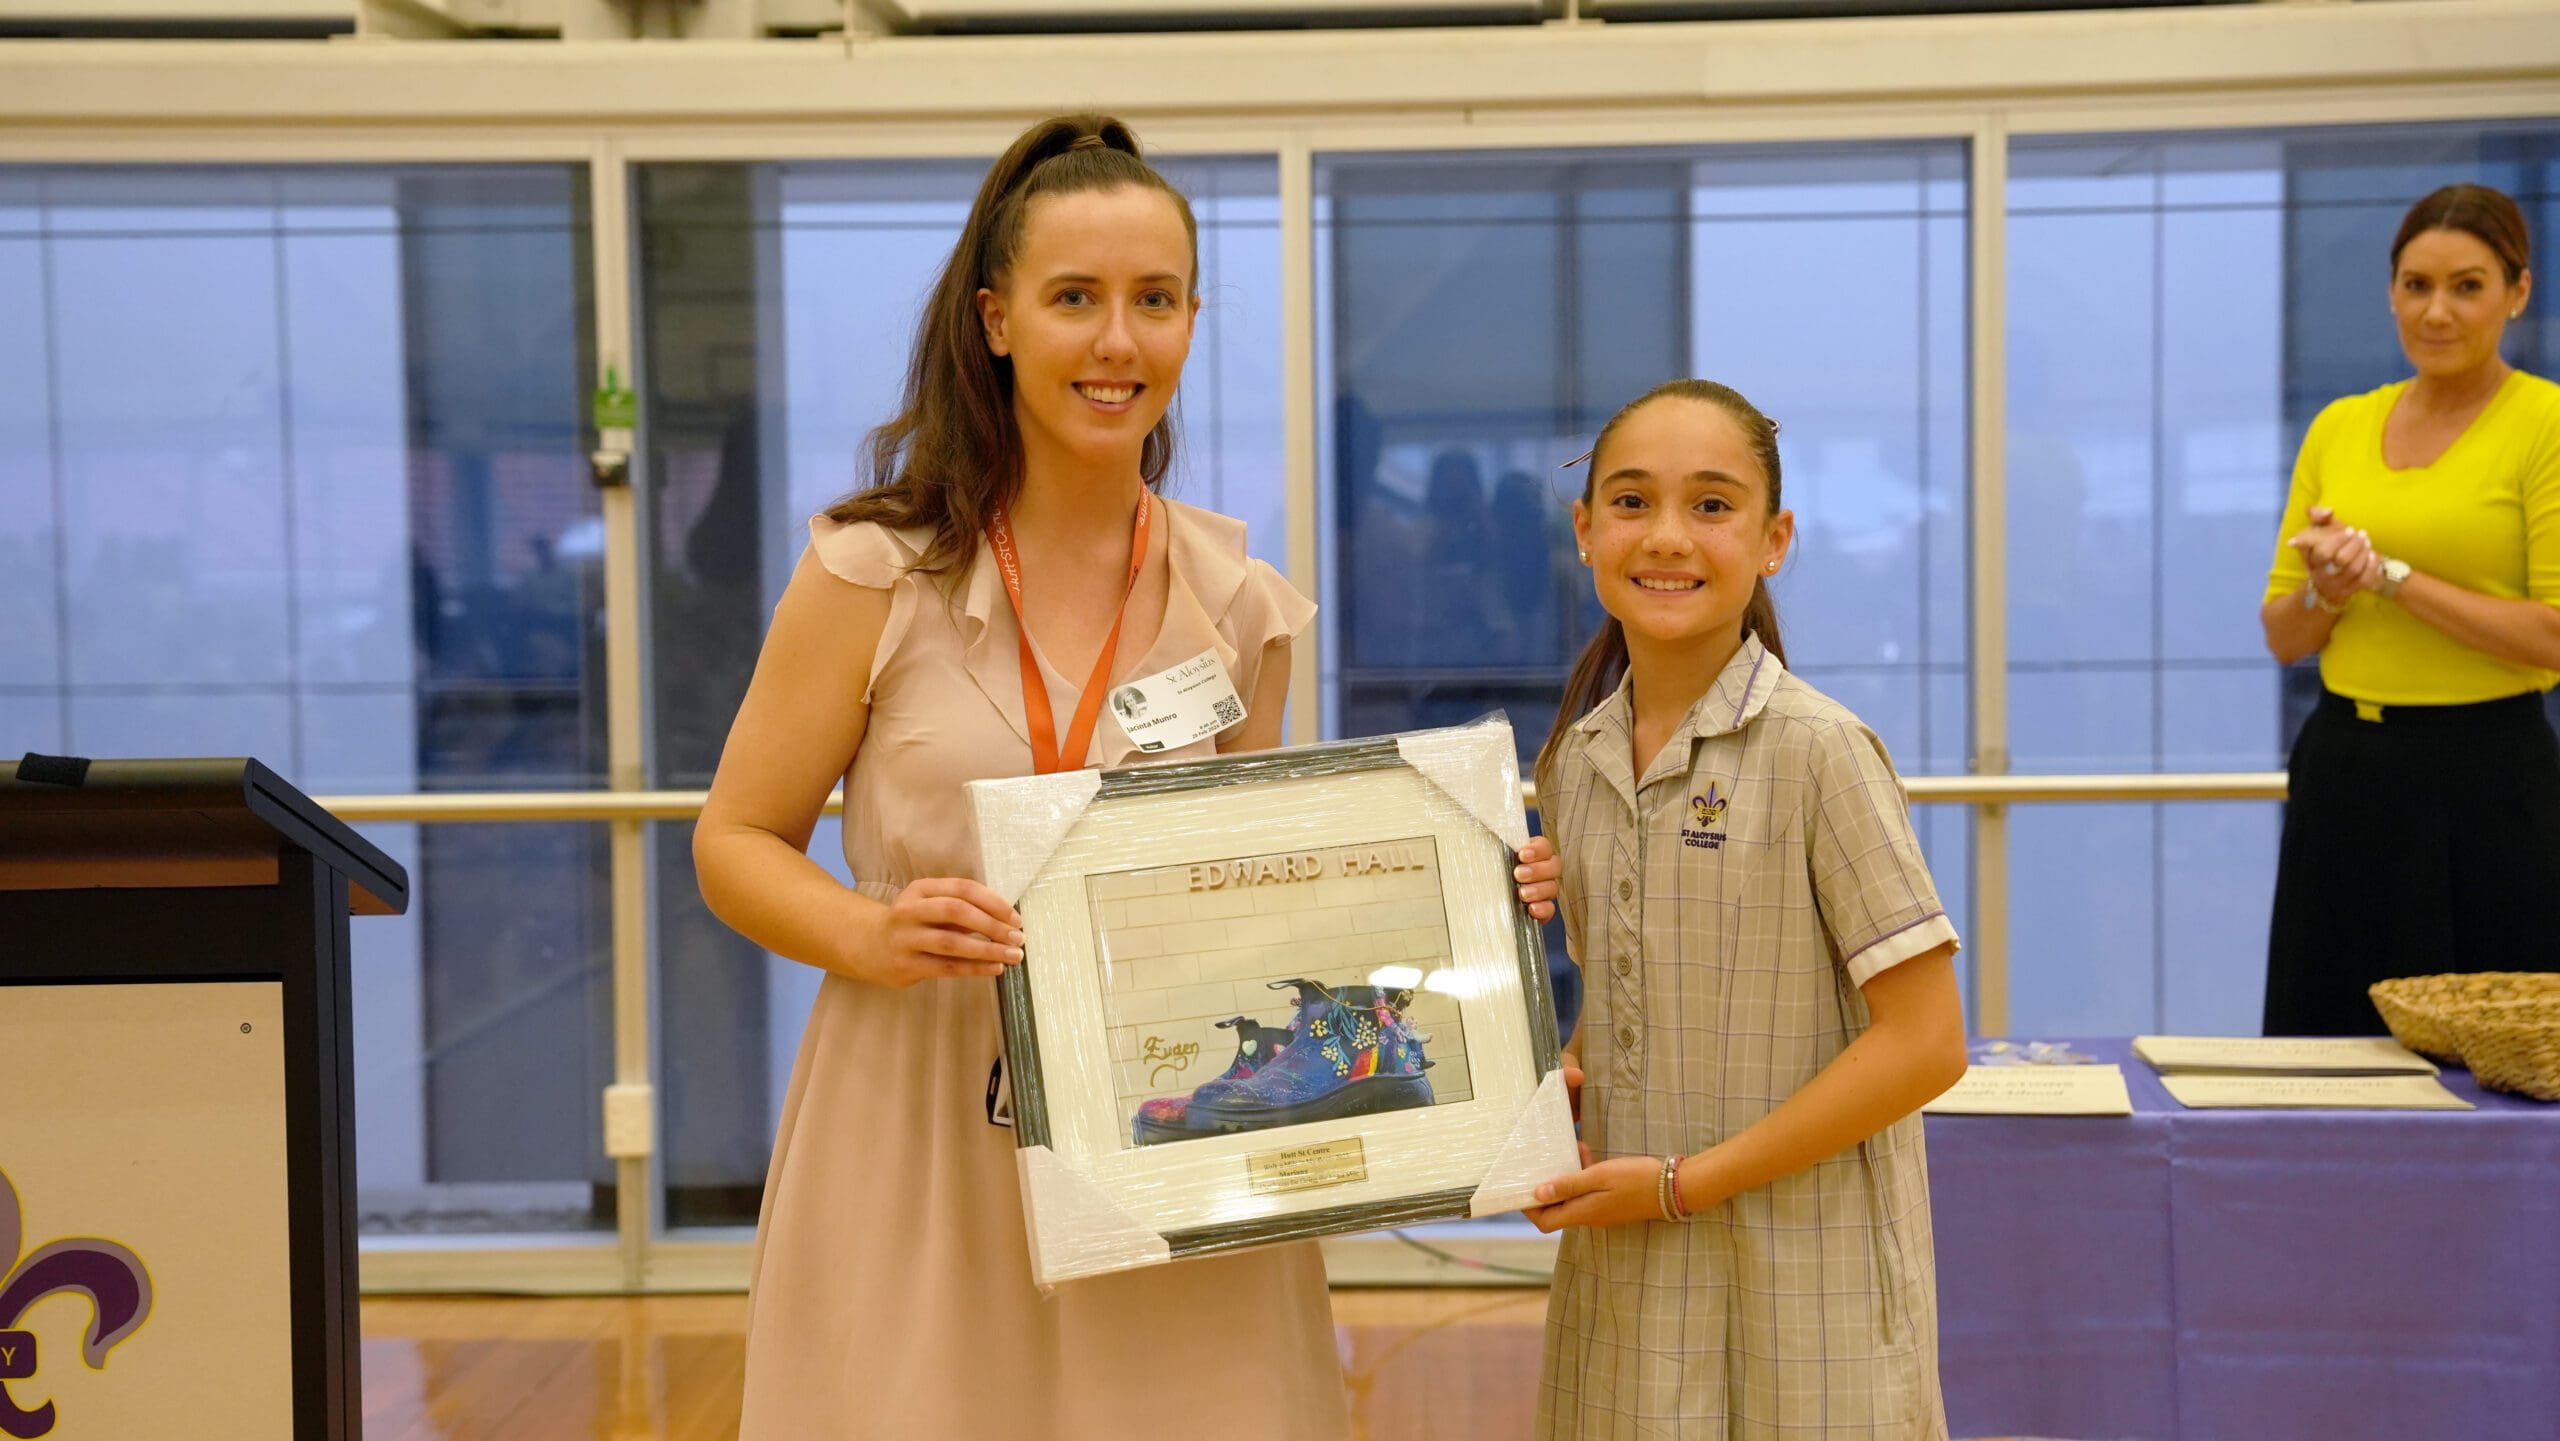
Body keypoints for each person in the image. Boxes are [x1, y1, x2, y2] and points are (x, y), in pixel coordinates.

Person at [693, 113, 1561, 1438]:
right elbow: (734, 840)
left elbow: (1274, 906)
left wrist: (1465, 899)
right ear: (996, 320)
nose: (1118, 341)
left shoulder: (1241, 602)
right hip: (920, 1118)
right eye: (1074, 299)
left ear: (1192, 321)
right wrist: (870, 934)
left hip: (1171, 1132)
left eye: (1154, 300)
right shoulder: (873, 572)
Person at [1521, 379, 1968, 1439]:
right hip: (1632, 1291)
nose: (1667, 536)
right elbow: (1617, 1011)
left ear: (1774, 540)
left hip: (1809, 1295)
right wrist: (1548, 1082)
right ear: (1584, 531)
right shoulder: (1574, 761)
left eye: (1712, 505)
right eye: (1631, 502)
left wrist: (1687, 1184)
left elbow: (1926, 1043)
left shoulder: (1821, 751)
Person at [2259, 183, 2559, 1038]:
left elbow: (2553, 632)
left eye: (2468, 287)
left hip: (2492, 777)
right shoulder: (2339, 427)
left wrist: (2391, 577)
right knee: (2326, 1039)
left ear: (2518, 292)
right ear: (2390, 292)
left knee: (2495, 1055)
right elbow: (2283, 633)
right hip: (2348, 769)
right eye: (2416, 285)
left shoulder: (2545, 423)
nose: (2437, 312)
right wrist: (2331, 588)